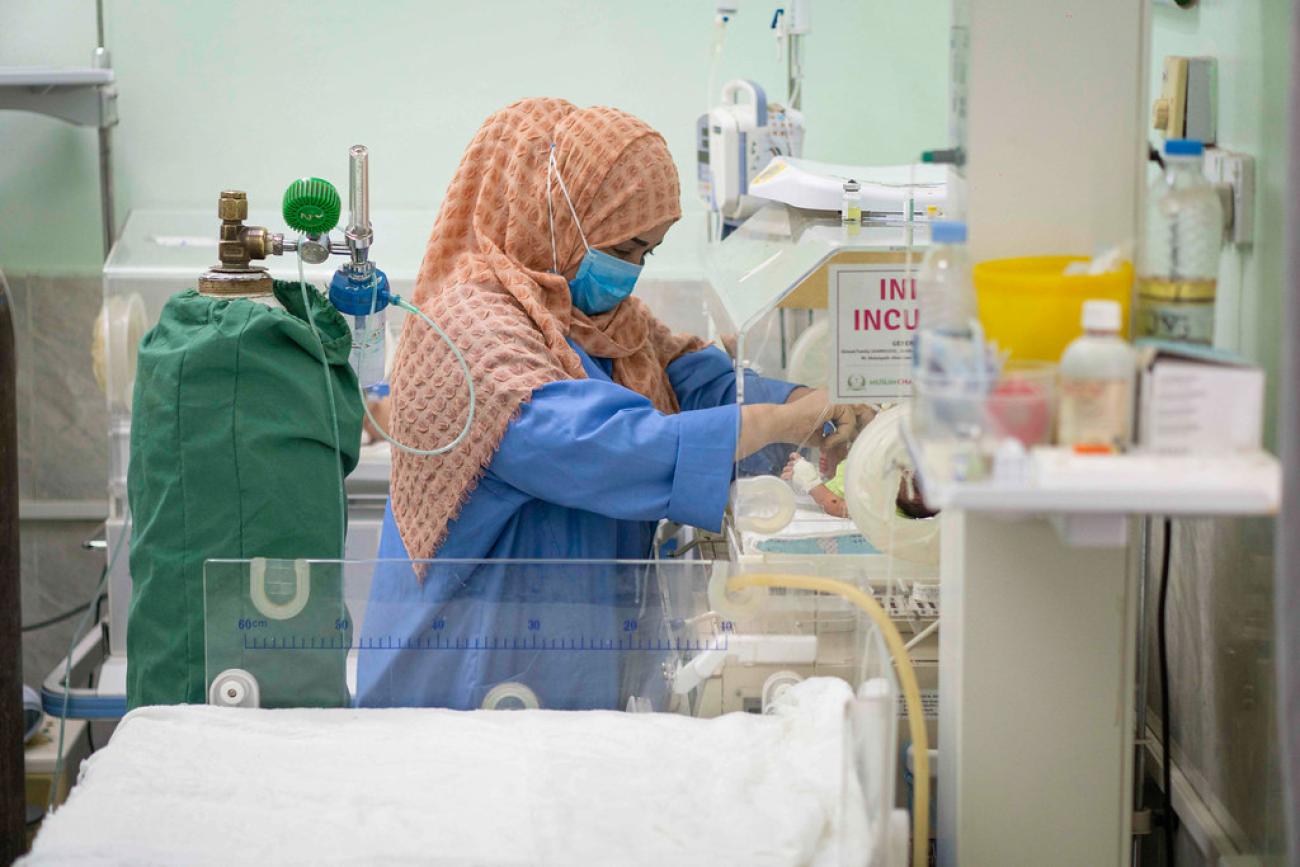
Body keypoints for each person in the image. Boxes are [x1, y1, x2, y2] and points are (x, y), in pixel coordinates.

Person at [356, 98, 865, 709]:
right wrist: (778, 423)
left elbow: (690, 377)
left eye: (646, 253)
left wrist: (811, 407)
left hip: (562, 667)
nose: (631, 273)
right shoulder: (470, 329)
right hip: (468, 676)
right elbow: (601, 445)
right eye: (621, 249)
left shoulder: (588, 315)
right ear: (553, 213)